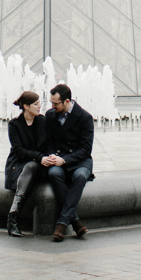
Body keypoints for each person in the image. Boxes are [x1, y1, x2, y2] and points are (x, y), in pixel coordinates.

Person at [42, 84, 94, 242]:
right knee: (53, 173)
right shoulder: (50, 115)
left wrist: (64, 160)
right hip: (58, 158)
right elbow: (48, 141)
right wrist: (51, 155)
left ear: (66, 101)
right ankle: (74, 221)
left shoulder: (85, 117)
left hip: (79, 160)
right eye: (51, 103)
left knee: (80, 176)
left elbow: (86, 149)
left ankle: (62, 223)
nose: (52, 106)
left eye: (55, 103)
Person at [4, 91, 48, 238]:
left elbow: (48, 144)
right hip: (18, 165)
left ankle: (13, 216)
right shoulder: (14, 124)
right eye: (36, 104)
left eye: (39, 103)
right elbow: (19, 150)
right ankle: (13, 217)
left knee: (33, 165)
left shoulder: (42, 121)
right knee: (31, 166)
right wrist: (39, 157)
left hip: (39, 163)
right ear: (26, 106)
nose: (39, 106)